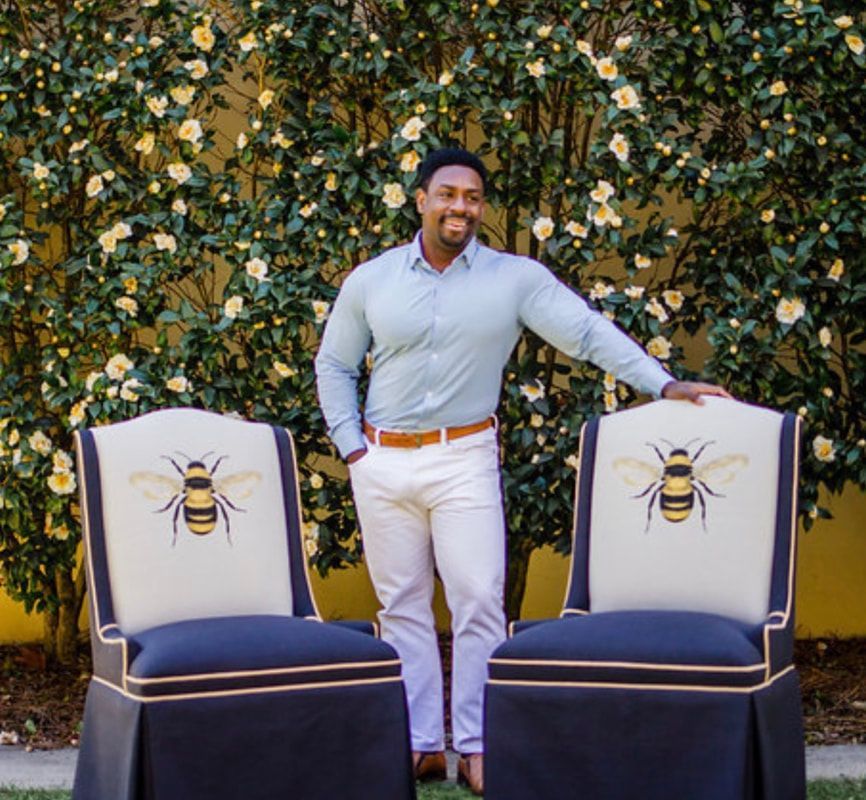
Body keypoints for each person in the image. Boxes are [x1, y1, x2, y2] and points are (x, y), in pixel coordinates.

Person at [314, 148, 730, 795]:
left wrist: (664, 383)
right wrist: (353, 448)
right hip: (382, 458)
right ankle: (422, 744)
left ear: (482, 207)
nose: (461, 207)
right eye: (448, 193)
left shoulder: (516, 280)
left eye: (473, 197)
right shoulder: (371, 280)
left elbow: (587, 334)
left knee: (479, 597)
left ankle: (477, 746)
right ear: (420, 199)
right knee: (400, 606)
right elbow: (334, 364)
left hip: (465, 457)